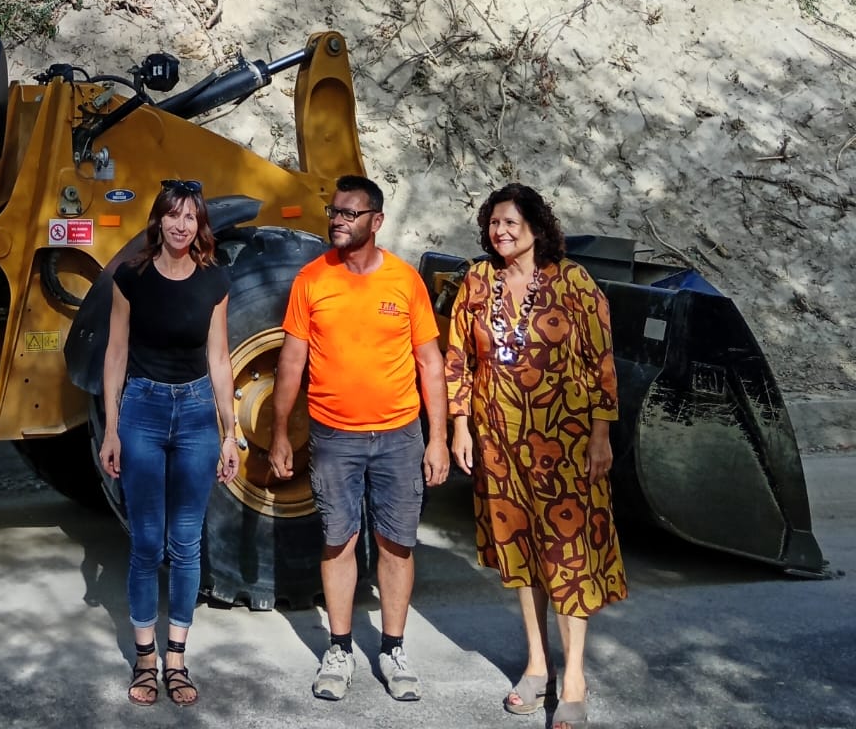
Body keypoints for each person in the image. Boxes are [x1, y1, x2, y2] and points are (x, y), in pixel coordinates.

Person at [446, 183, 626, 729]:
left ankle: (573, 676)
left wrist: (601, 434)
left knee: (568, 556)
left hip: (567, 443)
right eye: (493, 224)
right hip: (500, 445)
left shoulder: (573, 282)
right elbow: (458, 358)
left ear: (535, 226)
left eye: (509, 223)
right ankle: (535, 664)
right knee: (521, 555)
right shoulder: (478, 281)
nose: (500, 232)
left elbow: (602, 362)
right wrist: (460, 425)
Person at [268, 175, 449, 705]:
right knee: (339, 540)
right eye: (333, 211)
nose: (337, 221)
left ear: (376, 220)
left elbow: (430, 363)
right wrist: (280, 432)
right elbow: (291, 363)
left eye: (349, 213)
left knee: (397, 544)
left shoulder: (404, 280)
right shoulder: (310, 280)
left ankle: (393, 649)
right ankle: (341, 647)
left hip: (398, 437)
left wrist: (436, 439)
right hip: (333, 436)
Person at [98, 179, 240, 708]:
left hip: (199, 413)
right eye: (172, 216)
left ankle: (175, 660)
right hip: (143, 411)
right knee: (145, 542)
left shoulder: (214, 281)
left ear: (200, 225)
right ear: (158, 221)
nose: (181, 225)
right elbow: (115, 354)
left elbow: (221, 360)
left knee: (186, 544)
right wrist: (111, 428)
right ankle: (143, 658)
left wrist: (232, 432)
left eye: (191, 217)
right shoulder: (131, 278)